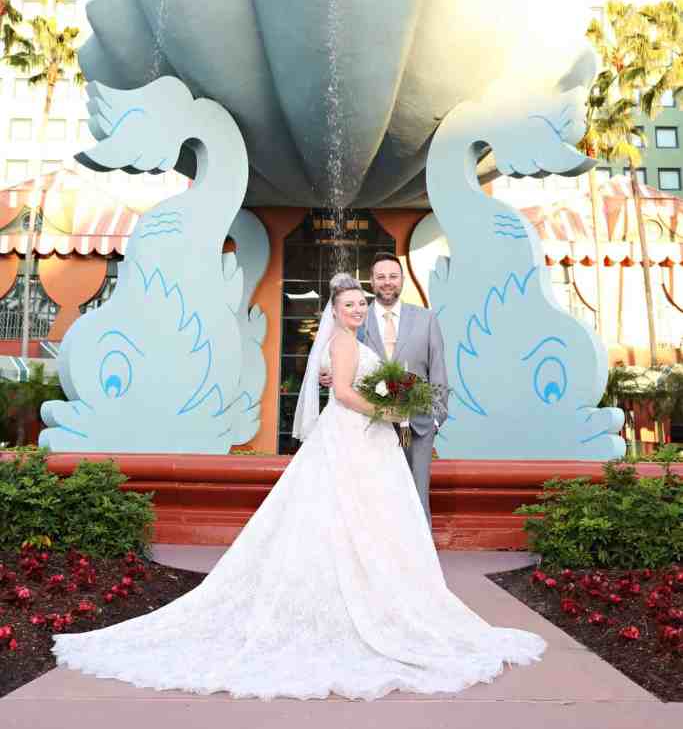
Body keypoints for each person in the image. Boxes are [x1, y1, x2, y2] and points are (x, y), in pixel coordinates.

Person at [52, 272, 545, 700]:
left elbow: (353, 382)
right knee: (339, 512)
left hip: (369, 442)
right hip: (353, 436)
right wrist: (391, 411)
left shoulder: (356, 342)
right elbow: (349, 395)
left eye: (360, 305)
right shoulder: (345, 342)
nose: (356, 310)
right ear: (335, 311)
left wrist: (393, 396)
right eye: (348, 305)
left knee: (371, 517)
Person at [320, 252, 447, 525]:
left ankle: (419, 558)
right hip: (372, 424)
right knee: (378, 491)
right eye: (381, 277)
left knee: (414, 490)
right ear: (371, 281)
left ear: (402, 280)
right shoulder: (356, 318)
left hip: (414, 425)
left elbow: (438, 371)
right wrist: (328, 374)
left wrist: (436, 419)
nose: (387, 282)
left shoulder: (426, 319)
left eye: (393, 276)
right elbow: (343, 364)